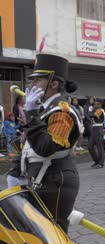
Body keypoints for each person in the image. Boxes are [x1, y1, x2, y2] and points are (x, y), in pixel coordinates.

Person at [6, 53, 82, 233]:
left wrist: (31, 114)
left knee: (53, 236)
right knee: (38, 235)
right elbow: (29, 146)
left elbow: (45, 148)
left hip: (56, 180)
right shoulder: (44, 109)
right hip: (43, 176)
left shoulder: (61, 112)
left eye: (37, 80)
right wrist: (16, 170)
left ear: (53, 83)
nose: (32, 85)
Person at [88, 98, 105, 169]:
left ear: (100, 104)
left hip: (99, 129)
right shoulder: (96, 110)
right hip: (94, 129)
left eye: (96, 104)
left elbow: (91, 115)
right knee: (90, 146)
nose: (95, 105)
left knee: (99, 147)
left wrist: (90, 110)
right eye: (94, 103)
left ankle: (101, 163)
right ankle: (96, 161)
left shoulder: (100, 111)